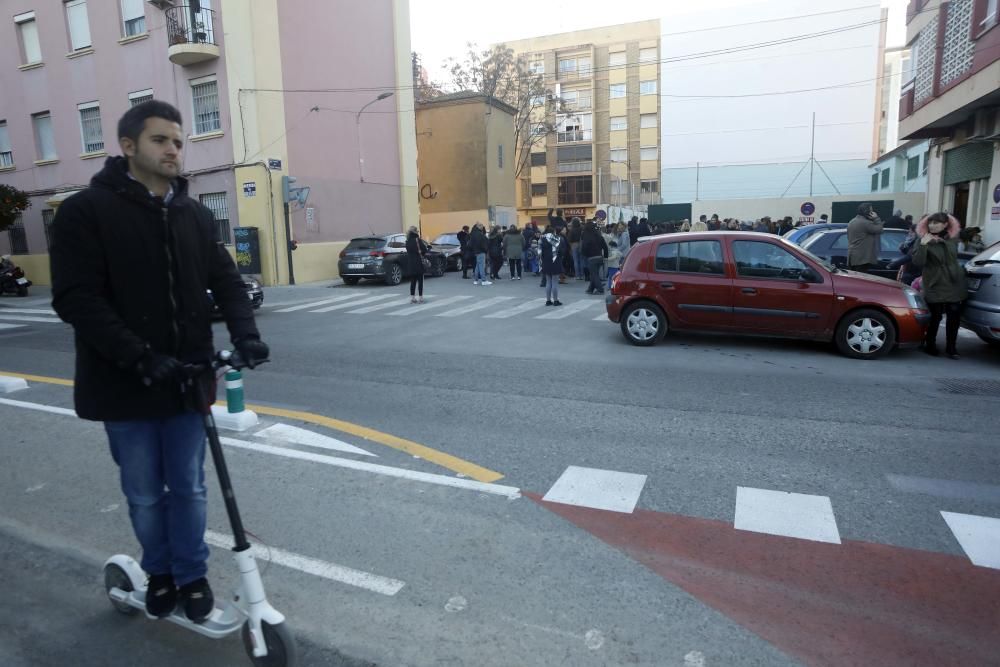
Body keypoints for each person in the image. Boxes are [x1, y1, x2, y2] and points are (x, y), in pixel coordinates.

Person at [48, 100, 269, 622]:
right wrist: (140, 357)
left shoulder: (191, 213)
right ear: (128, 147)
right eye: (160, 140)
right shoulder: (85, 212)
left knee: (189, 487)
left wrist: (248, 335)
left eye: (177, 140)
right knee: (146, 494)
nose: (173, 149)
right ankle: (161, 571)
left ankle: (191, 577)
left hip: (186, 382)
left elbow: (226, 281)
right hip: (125, 384)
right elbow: (77, 299)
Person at [912, 213, 965, 359]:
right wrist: (923, 244)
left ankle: (951, 348)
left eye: (937, 223)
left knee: (954, 316)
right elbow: (917, 261)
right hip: (934, 281)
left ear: (946, 224)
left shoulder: (952, 239)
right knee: (935, 316)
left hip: (953, 281)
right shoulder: (923, 239)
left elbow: (953, 258)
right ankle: (930, 344)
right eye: (930, 222)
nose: (932, 225)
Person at [847, 203, 884, 273]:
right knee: (861, 280)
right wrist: (876, 218)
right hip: (862, 258)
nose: (872, 213)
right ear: (866, 212)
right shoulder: (865, 223)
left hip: (852, 256)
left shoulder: (852, 221)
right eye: (871, 211)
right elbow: (880, 229)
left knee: (854, 279)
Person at [581, 221, 609, 295]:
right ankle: (590, 289)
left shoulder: (586, 236)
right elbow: (605, 247)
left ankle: (600, 289)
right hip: (600, 257)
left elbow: (584, 248)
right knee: (594, 274)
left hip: (592, 258)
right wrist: (606, 257)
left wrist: (585, 254)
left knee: (594, 274)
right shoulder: (599, 236)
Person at [540, 228, 566, 306]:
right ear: (553, 232)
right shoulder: (558, 239)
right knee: (554, 282)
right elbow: (562, 251)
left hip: (546, 261)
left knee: (548, 281)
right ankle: (555, 300)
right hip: (556, 261)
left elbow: (540, 251)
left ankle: (548, 300)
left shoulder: (542, 239)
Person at [405, 226, 425, 303]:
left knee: (413, 281)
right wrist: (421, 253)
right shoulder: (418, 240)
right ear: (415, 232)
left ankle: (412, 298)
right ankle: (420, 298)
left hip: (411, 263)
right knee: (420, 281)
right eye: (417, 231)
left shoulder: (407, 241)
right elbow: (424, 250)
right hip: (419, 263)